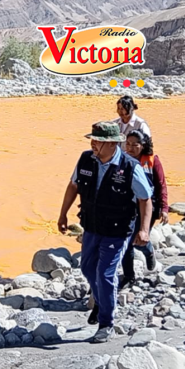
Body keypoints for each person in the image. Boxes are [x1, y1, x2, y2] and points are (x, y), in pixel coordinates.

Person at [58, 121, 152, 343]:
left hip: (117, 231)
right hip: (91, 226)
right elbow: (73, 186)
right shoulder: (85, 159)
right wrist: (63, 214)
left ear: (112, 144)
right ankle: (101, 300)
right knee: (88, 268)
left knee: (105, 274)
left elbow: (145, 198)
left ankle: (106, 323)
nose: (93, 144)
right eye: (92, 139)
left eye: (98, 141)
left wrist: (144, 230)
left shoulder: (130, 167)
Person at [119, 130, 169, 289]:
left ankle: (148, 251)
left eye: (135, 145)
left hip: (148, 207)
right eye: (127, 144)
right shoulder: (121, 159)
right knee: (126, 242)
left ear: (143, 145)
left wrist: (164, 208)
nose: (130, 148)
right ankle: (129, 276)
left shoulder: (153, 161)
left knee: (137, 239)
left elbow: (161, 185)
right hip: (127, 206)